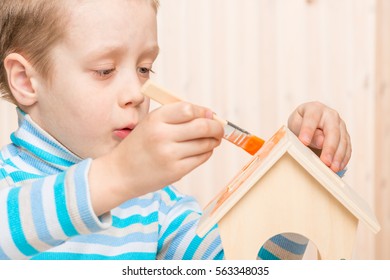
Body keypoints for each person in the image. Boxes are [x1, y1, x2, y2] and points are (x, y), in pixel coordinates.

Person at [0, 0, 351, 260]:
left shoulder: (156, 203)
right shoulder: (8, 183)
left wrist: (300, 178)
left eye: (144, 69)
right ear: (25, 80)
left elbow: (244, 268)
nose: (137, 94)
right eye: (105, 70)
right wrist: (119, 176)